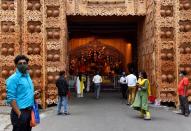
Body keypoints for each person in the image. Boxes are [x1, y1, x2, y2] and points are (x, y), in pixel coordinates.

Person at [6, 55, 35, 131]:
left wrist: (34, 94)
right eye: (20, 63)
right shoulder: (13, 79)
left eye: (24, 63)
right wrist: (19, 114)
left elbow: (24, 92)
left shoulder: (27, 76)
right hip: (20, 112)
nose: (22, 65)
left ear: (27, 64)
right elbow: (11, 98)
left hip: (29, 111)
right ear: (16, 65)